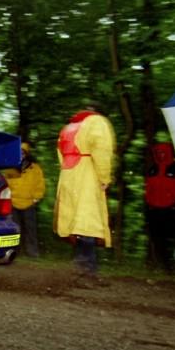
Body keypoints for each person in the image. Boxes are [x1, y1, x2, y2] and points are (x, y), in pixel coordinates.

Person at [53, 102, 116, 279]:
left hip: (68, 175)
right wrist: (104, 178)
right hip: (87, 174)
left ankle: (80, 267)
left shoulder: (69, 126)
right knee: (88, 223)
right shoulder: (97, 122)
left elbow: (60, 154)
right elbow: (102, 152)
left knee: (77, 223)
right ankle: (87, 271)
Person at [144, 142, 175, 271]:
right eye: (158, 152)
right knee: (158, 240)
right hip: (154, 211)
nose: (160, 154)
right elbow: (148, 190)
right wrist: (148, 204)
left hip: (173, 211)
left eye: (163, 152)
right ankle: (165, 267)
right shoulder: (152, 170)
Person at [3, 141, 46, 257]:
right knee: (14, 229)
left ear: (27, 153)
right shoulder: (10, 168)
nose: (21, 154)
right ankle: (14, 252)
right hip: (13, 202)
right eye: (19, 152)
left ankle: (33, 252)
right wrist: (7, 197)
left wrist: (37, 197)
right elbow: (5, 183)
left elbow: (40, 183)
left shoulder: (35, 168)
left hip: (29, 202)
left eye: (23, 152)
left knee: (31, 229)